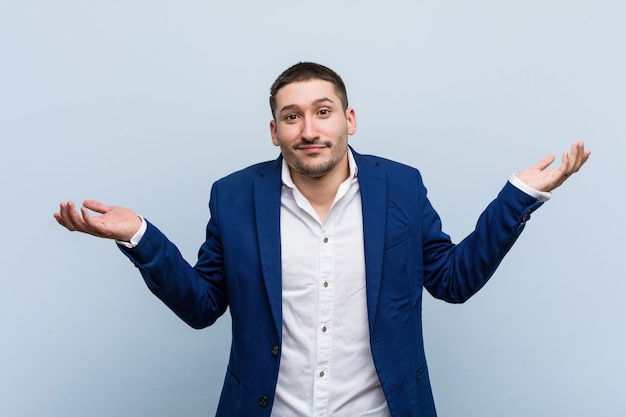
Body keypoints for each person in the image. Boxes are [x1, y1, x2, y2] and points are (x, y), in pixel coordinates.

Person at [54, 62, 590, 417]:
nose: (308, 129)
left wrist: (520, 195)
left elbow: (452, 280)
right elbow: (202, 305)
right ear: (274, 131)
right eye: (292, 117)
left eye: (322, 112)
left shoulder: (400, 186)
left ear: (349, 119)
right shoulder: (235, 196)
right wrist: (140, 238)